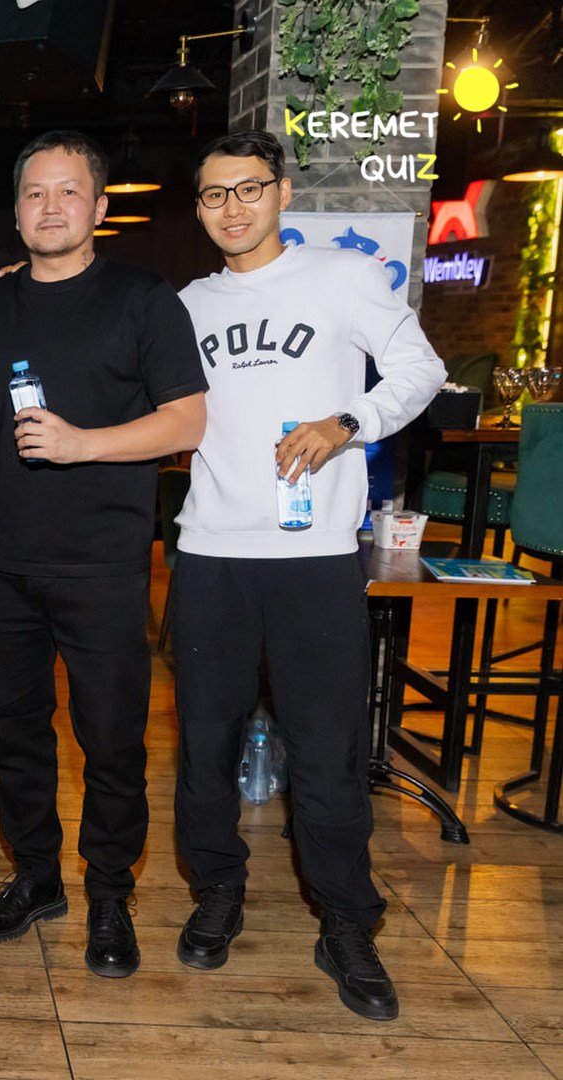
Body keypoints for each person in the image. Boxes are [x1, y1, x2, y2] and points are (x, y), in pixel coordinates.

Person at [171, 129, 443, 1021]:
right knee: (203, 749)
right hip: (210, 555)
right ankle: (217, 891)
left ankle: (346, 923)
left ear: (282, 192)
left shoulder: (342, 277)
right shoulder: (186, 304)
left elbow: (421, 369)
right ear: (199, 208)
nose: (232, 207)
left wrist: (347, 422)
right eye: (214, 194)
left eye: (248, 188)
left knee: (326, 754)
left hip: (312, 560)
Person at [0, 130, 207, 977]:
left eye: (67, 191)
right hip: (1, 562)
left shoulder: (143, 299)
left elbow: (187, 421)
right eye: (33, 192)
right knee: (16, 734)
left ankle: (109, 893)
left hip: (102, 562)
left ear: (98, 206)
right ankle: (35, 877)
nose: (49, 207)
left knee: (111, 740)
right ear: (16, 211)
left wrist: (83, 444)